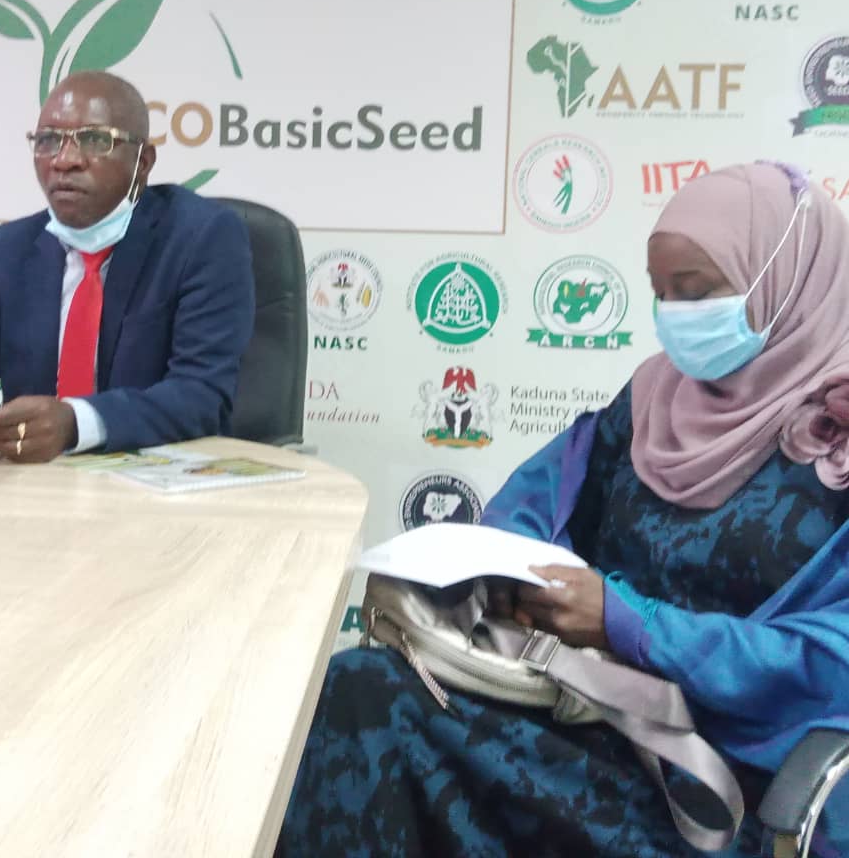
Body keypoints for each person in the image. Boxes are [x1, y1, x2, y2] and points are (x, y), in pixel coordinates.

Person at [277, 162, 849, 858]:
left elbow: (829, 662)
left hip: (721, 780)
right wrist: (510, 571)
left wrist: (629, 623)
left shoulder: (838, 438)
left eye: (696, 292)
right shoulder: (654, 399)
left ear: (787, 279)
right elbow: (537, 501)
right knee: (362, 689)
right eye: (660, 293)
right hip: (588, 715)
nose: (674, 314)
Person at [0, 71, 255, 462]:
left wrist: (75, 423)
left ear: (142, 162)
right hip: (29, 482)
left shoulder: (201, 238)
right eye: (48, 140)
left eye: (94, 140)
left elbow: (201, 395)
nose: (64, 160)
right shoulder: (7, 250)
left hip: (149, 486)